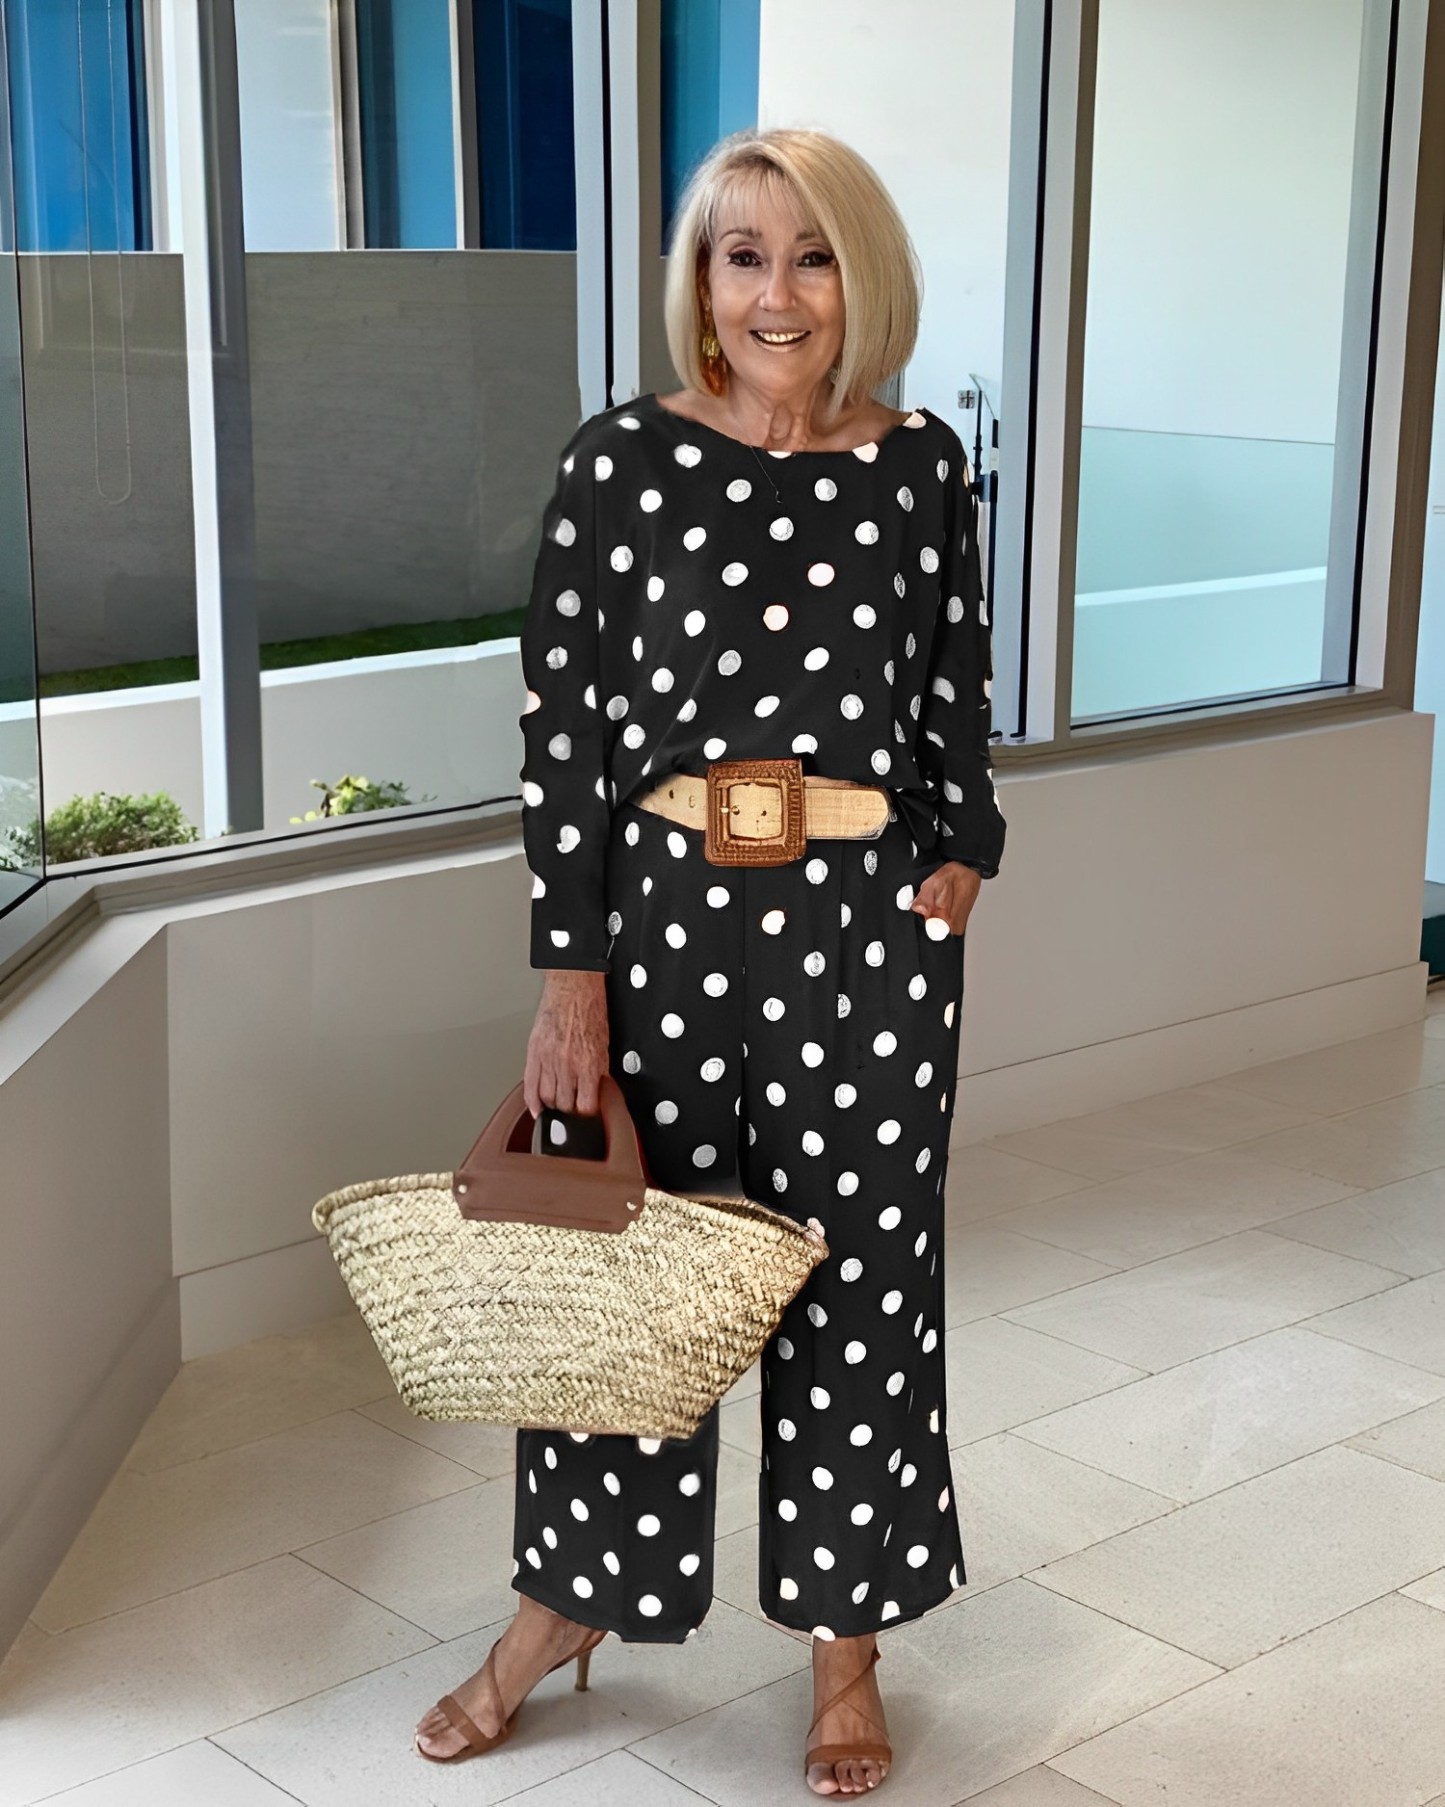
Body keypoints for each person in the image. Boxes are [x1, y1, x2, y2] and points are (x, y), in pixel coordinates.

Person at [415, 124, 1006, 1797]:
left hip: (868, 939)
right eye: (742, 255)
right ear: (700, 281)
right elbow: (564, 736)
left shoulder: (918, 467)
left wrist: (963, 847)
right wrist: (570, 979)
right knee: (630, 1284)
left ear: (859, 276)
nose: (776, 292)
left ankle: (844, 1647)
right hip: (664, 931)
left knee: (861, 1289)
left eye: (811, 254)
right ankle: (564, 1607)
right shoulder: (620, 463)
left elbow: (952, 686)